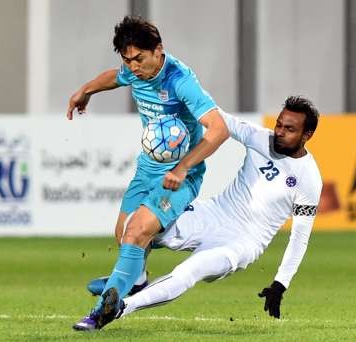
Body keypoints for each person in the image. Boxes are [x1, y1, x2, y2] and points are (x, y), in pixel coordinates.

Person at [75, 95, 323, 330]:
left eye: (289, 129)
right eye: (279, 124)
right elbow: (217, 118)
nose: (279, 132)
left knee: (188, 272)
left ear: (307, 135)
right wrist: (180, 96)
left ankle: (117, 309)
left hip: (242, 242)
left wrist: (281, 283)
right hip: (212, 213)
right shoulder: (259, 137)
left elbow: (300, 237)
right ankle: (137, 279)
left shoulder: (308, 179)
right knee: (138, 224)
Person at [68, 16, 229, 330]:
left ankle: (102, 312)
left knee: (136, 233)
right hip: (148, 167)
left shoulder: (180, 81)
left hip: (181, 174)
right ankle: (137, 280)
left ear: (159, 50)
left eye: (139, 59)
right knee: (124, 232)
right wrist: (85, 90)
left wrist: (183, 168)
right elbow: (114, 77)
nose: (133, 66)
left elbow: (219, 129)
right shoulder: (133, 71)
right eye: (127, 60)